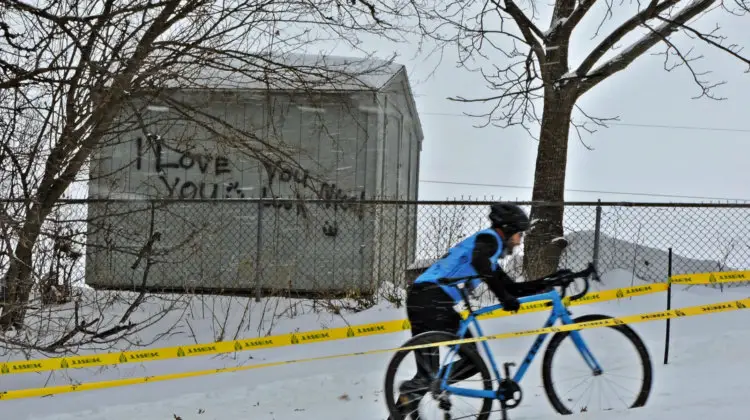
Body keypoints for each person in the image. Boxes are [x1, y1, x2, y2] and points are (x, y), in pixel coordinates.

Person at [391, 203, 553, 420]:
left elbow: (512, 287)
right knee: (471, 359)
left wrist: (549, 281)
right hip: (432, 298)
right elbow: (480, 265)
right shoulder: (488, 240)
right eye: (518, 234)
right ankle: (428, 386)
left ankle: (404, 405)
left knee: (427, 374)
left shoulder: (487, 254)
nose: (519, 240)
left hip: (423, 298)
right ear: (507, 229)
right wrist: (504, 298)